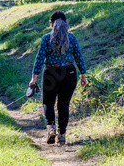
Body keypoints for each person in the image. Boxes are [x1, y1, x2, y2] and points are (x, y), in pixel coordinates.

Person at [29, 11, 87, 145]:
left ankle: (51, 128)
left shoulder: (46, 38)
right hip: (69, 73)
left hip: (51, 72)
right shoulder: (71, 38)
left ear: (51, 24)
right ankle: (62, 135)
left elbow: (39, 59)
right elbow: (79, 57)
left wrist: (33, 79)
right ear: (66, 24)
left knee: (48, 102)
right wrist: (83, 75)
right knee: (64, 104)